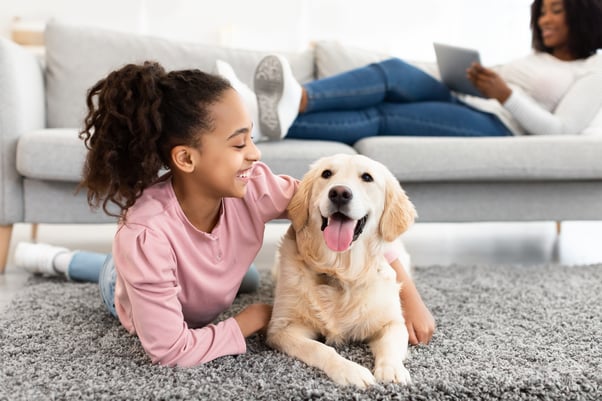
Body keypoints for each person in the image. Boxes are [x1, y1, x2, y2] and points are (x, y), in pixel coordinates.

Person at [14, 61, 435, 367]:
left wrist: (408, 297)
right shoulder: (145, 237)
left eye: (251, 138)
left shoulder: (254, 186)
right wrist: (247, 321)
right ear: (186, 158)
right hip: (129, 278)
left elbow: (356, 218)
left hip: (207, 284)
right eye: (238, 144)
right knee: (111, 275)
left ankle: (81, 262)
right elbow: (170, 350)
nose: (254, 154)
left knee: (248, 279)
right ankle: (58, 260)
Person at [249, 0, 602, 144]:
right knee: (393, 71)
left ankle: (257, 120)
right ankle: (298, 98)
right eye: (541, 12)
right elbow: (495, 88)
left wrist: (504, 94)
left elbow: (563, 131)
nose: (544, 19)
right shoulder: (536, 58)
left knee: (382, 115)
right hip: (474, 101)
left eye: (555, 10)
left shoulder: (593, 69)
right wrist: (474, 80)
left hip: (501, 126)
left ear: (582, 13)